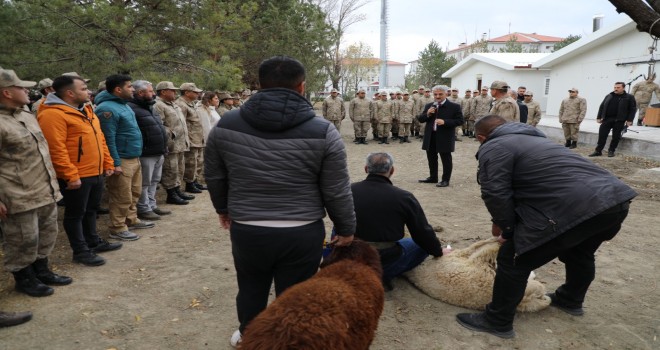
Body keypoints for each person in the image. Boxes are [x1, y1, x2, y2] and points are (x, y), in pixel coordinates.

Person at [204, 55, 356, 347]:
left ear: (260, 86)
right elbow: (336, 188)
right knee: (296, 292)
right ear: (301, 87)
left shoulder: (226, 125)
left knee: (250, 285)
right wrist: (346, 227)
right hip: (301, 229)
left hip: (249, 227)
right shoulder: (324, 130)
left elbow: (215, 175)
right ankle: (291, 341)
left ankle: (249, 334)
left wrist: (223, 209)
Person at [456, 114, 637, 339]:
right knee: (580, 252)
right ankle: (570, 299)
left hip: (577, 207)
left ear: (482, 137)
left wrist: (508, 230)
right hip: (614, 201)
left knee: (513, 259)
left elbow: (495, 191)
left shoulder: (495, 146)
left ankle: (497, 320)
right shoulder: (540, 140)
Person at [0, 69, 72, 299]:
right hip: (17, 193)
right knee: (23, 239)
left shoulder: (25, 115)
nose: (26, 90)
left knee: (47, 232)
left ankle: (43, 270)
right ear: (6, 92)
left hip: (44, 188)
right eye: (21, 87)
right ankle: (24, 278)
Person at [39, 75, 122, 266]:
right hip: (76, 175)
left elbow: (99, 138)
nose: (89, 92)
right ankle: (81, 251)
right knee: (75, 213)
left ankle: (93, 241)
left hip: (95, 170)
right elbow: (56, 148)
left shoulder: (86, 108)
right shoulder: (52, 114)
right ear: (70, 93)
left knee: (91, 209)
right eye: (84, 89)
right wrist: (70, 175)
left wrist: (107, 163)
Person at [351, 152, 450, 290]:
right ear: (391, 170)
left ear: (366, 169)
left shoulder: (348, 192)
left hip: (351, 253)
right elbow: (422, 232)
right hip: (385, 257)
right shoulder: (404, 197)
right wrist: (438, 251)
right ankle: (382, 274)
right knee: (419, 245)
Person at [96, 74, 152, 241]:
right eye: (129, 87)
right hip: (121, 159)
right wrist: (115, 162)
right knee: (121, 195)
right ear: (118, 89)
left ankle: (131, 219)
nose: (133, 89)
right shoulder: (107, 109)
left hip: (133, 157)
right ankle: (118, 227)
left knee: (134, 192)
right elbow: (108, 138)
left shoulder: (124, 105)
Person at [127, 80, 171, 221]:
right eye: (151, 91)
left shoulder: (150, 106)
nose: (153, 94)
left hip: (158, 151)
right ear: (140, 93)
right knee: (144, 182)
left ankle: (152, 205)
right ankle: (143, 208)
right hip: (146, 152)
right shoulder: (132, 108)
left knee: (154, 180)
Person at [153, 81, 192, 205]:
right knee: (171, 169)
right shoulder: (158, 105)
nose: (175, 92)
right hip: (171, 143)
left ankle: (177, 189)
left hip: (180, 143)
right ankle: (171, 194)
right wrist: (172, 134)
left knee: (179, 168)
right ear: (163, 92)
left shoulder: (173, 104)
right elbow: (160, 124)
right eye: (172, 90)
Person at [417, 85, 464, 187]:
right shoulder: (429, 105)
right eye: (435, 94)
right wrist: (428, 114)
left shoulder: (454, 106)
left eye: (440, 94)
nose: (437, 96)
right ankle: (433, 177)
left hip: (445, 136)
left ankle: (445, 180)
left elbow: (460, 121)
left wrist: (445, 122)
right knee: (431, 158)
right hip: (431, 136)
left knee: (446, 158)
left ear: (447, 94)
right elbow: (421, 119)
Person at [589, 82, 636, 157]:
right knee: (602, 135)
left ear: (623, 88)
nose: (616, 89)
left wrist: (630, 120)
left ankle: (611, 150)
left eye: (618, 87)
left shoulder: (629, 97)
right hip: (607, 119)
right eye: (615, 87)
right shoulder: (609, 95)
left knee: (616, 137)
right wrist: (599, 117)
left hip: (619, 120)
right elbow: (602, 106)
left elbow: (632, 109)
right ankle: (598, 151)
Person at [175, 83, 206, 194]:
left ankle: (194, 180)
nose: (198, 94)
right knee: (190, 162)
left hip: (197, 137)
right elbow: (181, 124)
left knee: (198, 161)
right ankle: (189, 183)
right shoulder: (181, 104)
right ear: (187, 92)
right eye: (195, 92)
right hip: (191, 138)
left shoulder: (191, 103)